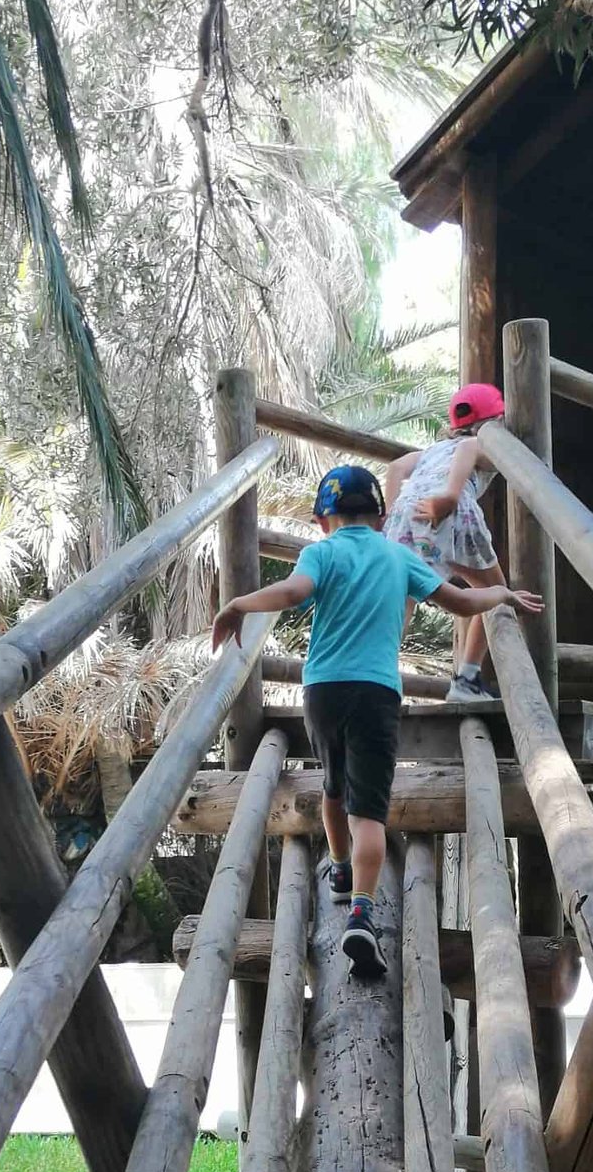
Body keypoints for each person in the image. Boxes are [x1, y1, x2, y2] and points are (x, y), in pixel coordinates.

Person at [212, 462, 541, 980]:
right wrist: (500, 593)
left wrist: (238, 604)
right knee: (370, 813)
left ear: (324, 520)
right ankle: (361, 912)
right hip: (376, 693)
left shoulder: (320, 553)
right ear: (382, 514)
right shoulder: (398, 555)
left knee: (333, 788)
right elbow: (459, 601)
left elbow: (292, 593)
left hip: (322, 690)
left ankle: (339, 871)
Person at [384, 381, 511, 703]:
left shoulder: (432, 450)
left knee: (404, 597)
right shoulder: (487, 444)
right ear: (495, 422)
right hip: (449, 512)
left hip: (408, 513)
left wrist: (389, 512)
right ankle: (467, 679)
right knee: (495, 592)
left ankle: (379, 675)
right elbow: (469, 449)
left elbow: (396, 467)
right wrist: (450, 497)